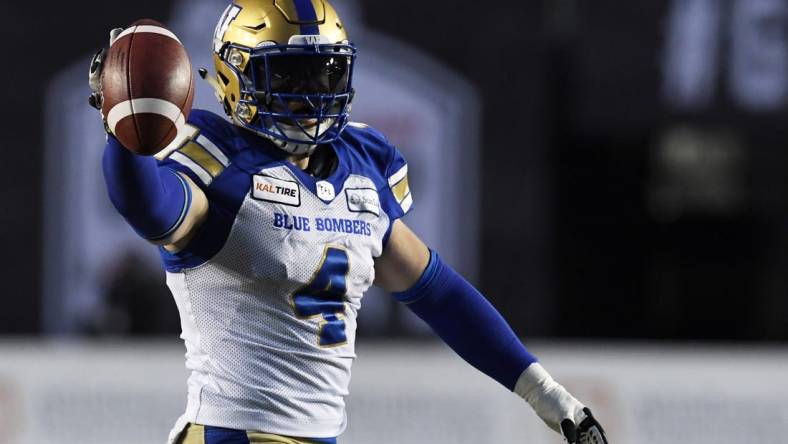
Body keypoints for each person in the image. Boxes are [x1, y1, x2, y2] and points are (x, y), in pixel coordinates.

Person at [89, 1, 608, 443]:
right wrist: (126, 129)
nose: (312, 92)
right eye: (288, 74)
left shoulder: (363, 164)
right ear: (232, 77)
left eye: (325, 72)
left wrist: (545, 393)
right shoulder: (216, 165)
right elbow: (150, 208)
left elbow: (439, 294)